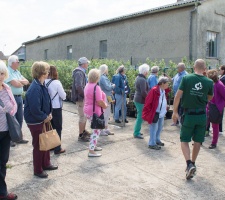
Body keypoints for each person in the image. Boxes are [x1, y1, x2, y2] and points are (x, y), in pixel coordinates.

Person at [172, 59, 213, 180]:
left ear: (194, 68)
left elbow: (177, 96)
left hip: (188, 115)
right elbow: (210, 98)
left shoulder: (187, 78)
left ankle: (189, 163)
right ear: (205, 69)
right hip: (201, 116)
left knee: (184, 140)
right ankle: (193, 163)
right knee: (198, 141)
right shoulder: (209, 82)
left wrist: (174, 112)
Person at [24, 61, 58, 178]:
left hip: (42, 118)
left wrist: (48, 114)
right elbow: (35, 109)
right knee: (39, 145)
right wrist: (45, 117)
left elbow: (45, 103)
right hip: (36, 121)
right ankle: (38, 169)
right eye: (47, 70)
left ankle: (46, 163)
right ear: (42, 72)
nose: (48, 72)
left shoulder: (40, 85)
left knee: (46, 142)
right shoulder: (35, 88)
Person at [0, 61, 18, 200]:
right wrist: (4, 110)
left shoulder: (6, 88)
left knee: (3, 161)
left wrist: (11, 110)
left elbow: (14, 104)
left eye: (2, 73)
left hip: (6, 130)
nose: (0, 76)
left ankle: (2, 193)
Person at [5, 55, 29, 146]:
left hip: (19, 97)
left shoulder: (16, 71)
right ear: (12, 63)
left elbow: (26, 81)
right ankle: (11, 139)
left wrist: (20, 81)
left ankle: (18, 137)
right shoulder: (7, 71)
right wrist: (20, 82)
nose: (19, 63)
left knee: (20, 118)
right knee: (12, 119)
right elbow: (16, 84)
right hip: (11, 98)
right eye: (17, 62)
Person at [84, 69, 107, 157]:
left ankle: (93, 145)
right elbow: (99, 101)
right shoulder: (96, 87)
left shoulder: (87, 85)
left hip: (88, 110)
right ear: (97, 77)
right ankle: (91, 150)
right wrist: (105, 106)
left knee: (95, 129)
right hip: (95, 111)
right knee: (96, 130)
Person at [142, 76, 169, 150]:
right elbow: (148, 101)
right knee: (154, 128)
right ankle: (152, 143)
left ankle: (157, 140)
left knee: (159, 127)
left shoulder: (163, 90)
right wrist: (149, 112)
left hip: (161, 113)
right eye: (167, 83)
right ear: (162, 83)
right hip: (155, 113)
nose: (168, 85)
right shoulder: (154, 90)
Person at [45, 66, 66, 154]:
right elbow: (64, 96)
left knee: (50, 127)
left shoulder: (43, 82)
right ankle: (57, 148)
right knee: (58, 127)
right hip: (56, 107)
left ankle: (51, 146)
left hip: (47, 108)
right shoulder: (57, 82)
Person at [71, 57, 91, 142]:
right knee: (82, 117)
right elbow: (78, 86)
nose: (88, 64)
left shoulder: (80, 72)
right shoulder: (79, 73)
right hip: (81, 98)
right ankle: (81, 135)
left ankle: (83, 131)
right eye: (87, 63)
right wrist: (85, 95)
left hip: (81, 98)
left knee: (84, 116)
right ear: (83, 64)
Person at [206, 69, 225, 149]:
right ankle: (199, 140)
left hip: (216, 107)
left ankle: (214, 143)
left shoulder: (219, 85)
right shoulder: (211, 84)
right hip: (209, 105)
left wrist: (220, 106)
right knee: (204, 123)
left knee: (215, 126)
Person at [133, 64, 149, 139]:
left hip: (138, 98)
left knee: (140, 116)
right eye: (147, 71)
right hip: (140, 100)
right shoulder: (142, 79)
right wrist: (148, 98)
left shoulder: (138, 77)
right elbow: (143, 92)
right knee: (140, 117)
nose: (147, 72)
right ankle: (136, 133)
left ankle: (137, 131)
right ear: (145, 71)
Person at [99, 64, 115, 136]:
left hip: (107, 96)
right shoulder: (102, 77)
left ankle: (106, 128)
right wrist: (113, 86)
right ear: (105, 70)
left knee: (107, 113)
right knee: (105, 113)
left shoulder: (104, 77)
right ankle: (102, 129)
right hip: (105, 96)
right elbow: (108, 87)